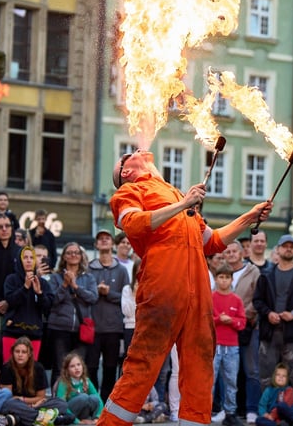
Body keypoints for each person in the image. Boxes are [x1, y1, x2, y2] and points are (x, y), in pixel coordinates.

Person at [99, 149, 271, 426]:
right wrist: (184, 204)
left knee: (200, 366)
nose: (139, 150)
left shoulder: (176, 194)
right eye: (129, 153)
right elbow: (133, 223)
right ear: (125, 172)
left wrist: (249, 217)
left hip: (198, 291)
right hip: (164, 285)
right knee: (144, 363)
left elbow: (212, 241)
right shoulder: (130, 191)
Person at [253, 235, 293, 411]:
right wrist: (268, 313)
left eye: (292, 246)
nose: (288, 249)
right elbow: (257, 300)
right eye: (285, 246)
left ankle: (292, 413)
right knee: (266, 376)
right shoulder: (266, 275)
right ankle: (266, 412)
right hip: (269, 333)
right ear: (278, 249)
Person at [86, 230, 129, 401]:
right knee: (91, 367)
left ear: (112, 244)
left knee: (111, 368)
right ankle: (94, 402)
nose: (104, 241)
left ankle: (107, 404)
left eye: (107, 238)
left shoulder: (122, 270)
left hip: (114, 328)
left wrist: (108, 293)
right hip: (92, 327)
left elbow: (126, 298)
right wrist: (96, 292)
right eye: (100, 239)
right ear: (96, 245)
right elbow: (84, 295)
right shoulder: (88, 268)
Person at [47, 242, 98, 385]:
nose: (73, 255)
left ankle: (76, 397)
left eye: (76, 252)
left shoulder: (89, 278)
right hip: (59, 328)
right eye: (69, 253)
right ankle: (57, 397)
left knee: (78, 369)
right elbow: (52, 300)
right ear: (64, 257)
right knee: (59, 368)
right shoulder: (55, 277)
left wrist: (75, 287)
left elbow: (93, 298)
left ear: (81, 256)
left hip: (81, 330)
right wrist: (64, 285)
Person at [223, 240, 261, 424]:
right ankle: (229, 410)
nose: (231, 254)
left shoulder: (253, 271)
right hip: (225, 328)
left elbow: (258, 297)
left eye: (234, 251)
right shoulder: (221, 273)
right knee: (227, 371)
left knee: (251, 370)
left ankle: (252, 409)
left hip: (248, 327)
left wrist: (240, 316)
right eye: (227, 252)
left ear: (241, 253)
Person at [0, 337, 68, 426]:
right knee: (10, 404)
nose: (20, 355)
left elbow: (41, 397)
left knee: (61, 403)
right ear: (13, 353)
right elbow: (9, 397)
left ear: (29, 354)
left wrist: (26, 401)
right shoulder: (7, 368)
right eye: (17, 351)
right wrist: (25, 403)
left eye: (24, 352)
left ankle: (30, 419)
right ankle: (44, 419)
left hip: (34, 405)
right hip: (17, 406)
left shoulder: (38, 368)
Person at [3, 246, 54, 359]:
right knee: (8, 366)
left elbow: (48, 306)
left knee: (31, 368)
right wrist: (25, 287)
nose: (29, 260)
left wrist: (39, 293)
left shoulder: (42, 283)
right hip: (12, 331)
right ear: (19, 260)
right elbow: (11, 301)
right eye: (25, 257)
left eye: (32, 257)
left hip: (34, 333)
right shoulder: (11, 279)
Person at [210, 264, 246, 426]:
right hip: (214, 345)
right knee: (210, 380)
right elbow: (205, 319)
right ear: (216, 279)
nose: (224, 281)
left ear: (232, 280)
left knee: (231, 381)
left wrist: (231, 320)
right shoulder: (211, 298)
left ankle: (230, 413)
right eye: (221, 277)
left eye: (227, 277)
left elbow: (242, 323)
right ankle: (205, 410)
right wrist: (219, 319)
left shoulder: (236, 300)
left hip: (232, 346)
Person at [56, 352, 101, 424]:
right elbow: (61, 405)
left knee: (94, 398)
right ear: (67, 370)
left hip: (83, 414)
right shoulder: (63, 382)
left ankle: (91, 420)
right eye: (72, 366)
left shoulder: (86, 380)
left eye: (78, 364)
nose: (76, 368)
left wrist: (97, 417)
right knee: (83, 397)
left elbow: (98, 399)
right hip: (69, 415)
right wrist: (77, 422)